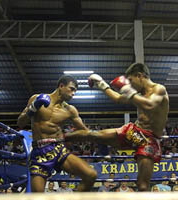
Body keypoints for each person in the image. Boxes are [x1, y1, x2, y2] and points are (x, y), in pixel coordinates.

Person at [66, 63, 169, 191]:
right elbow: (119, 98)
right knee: (94, 135)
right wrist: (102, 84)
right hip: (135, 131)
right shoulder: (137, 92)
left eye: (131, 80)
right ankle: (60, 138)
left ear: (140, 76)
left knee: (142, 185)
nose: (129, 84)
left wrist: (129, 91)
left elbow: (149, 105)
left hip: (149, 141)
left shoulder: (159, 89)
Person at [17, 75, 97, 192]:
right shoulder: (36, 98)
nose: (73, 93)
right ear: (61, 86)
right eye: (71, 89)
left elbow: (85, 131)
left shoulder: (70, 110)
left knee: (91, 175)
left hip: (59, 149)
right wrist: (33, 109)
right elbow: (20, 123)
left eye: (75, 91)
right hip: (39, 152)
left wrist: (71, 136)